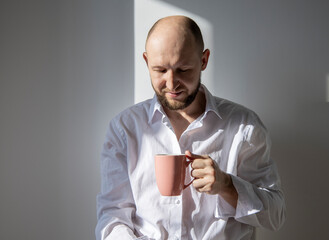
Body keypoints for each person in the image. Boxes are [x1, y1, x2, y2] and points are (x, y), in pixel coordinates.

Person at [96, 15, 286, 240]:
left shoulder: (244, 127)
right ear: (146, 62)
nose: (171, 83)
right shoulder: (124, 129)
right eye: (159, 70)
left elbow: (275, 216)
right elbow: (113, 216)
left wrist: (228, 186)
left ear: (203, 60)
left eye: (183, 69)